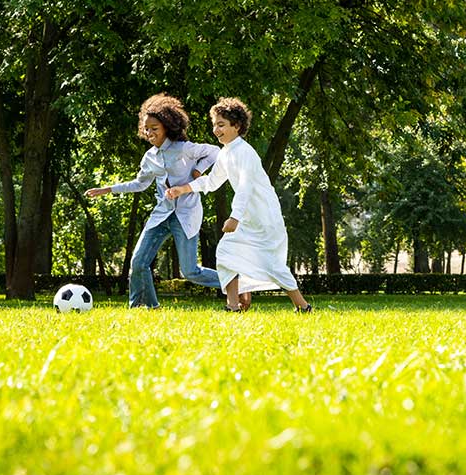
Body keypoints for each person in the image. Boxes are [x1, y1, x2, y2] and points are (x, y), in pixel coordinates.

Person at [165, 97, 313, 313]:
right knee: (225, 252)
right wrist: (183, 189)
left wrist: (235, 217)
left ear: (237, 126)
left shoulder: (245, 152)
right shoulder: (225, 153)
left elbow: (245, 187)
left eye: (221, 124)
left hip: (264, 217)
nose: (216, 129)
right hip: (246, 217)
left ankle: (303, 306)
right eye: (214, 124)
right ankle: (233, 306)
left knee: (272, 263)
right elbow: (212, 181)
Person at [85, 93, 223, 309]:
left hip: (186, 214)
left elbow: (215, 152)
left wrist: (198, 170)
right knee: (138, 262)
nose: (149, 133)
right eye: (146, 128)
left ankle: (235, 284)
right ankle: (145, 307)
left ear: (167, 127)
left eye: (154, 128)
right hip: (162, 214)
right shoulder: (150, 157)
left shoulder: (184, 148)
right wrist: (108, 189)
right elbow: (140, 183)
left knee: (190, 271)